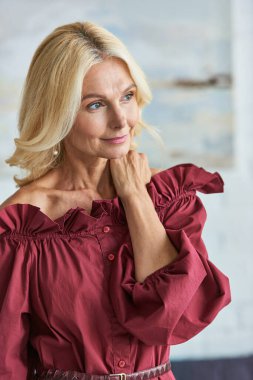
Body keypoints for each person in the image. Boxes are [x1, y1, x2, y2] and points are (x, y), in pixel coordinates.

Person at [0, 21, 231, 380]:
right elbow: (5, 364)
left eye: (127, 96)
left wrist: (136, 196)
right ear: (57, 114)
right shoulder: (18, 230)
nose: (121, 120)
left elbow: (177, 320)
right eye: (95, 105)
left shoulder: (168, 200)